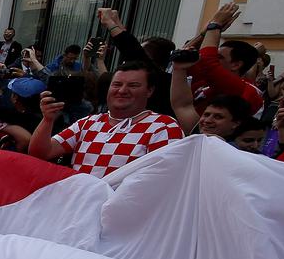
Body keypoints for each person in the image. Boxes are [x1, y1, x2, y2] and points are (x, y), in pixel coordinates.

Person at [29, 60, 181, 177]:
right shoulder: (88, 123)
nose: (122, 90)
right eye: (117, 84)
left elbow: (164, 179)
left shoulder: (164, 126)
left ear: (149, 91)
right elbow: (40, 153)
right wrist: (48, 120)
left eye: (133, 85)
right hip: (79, 206)